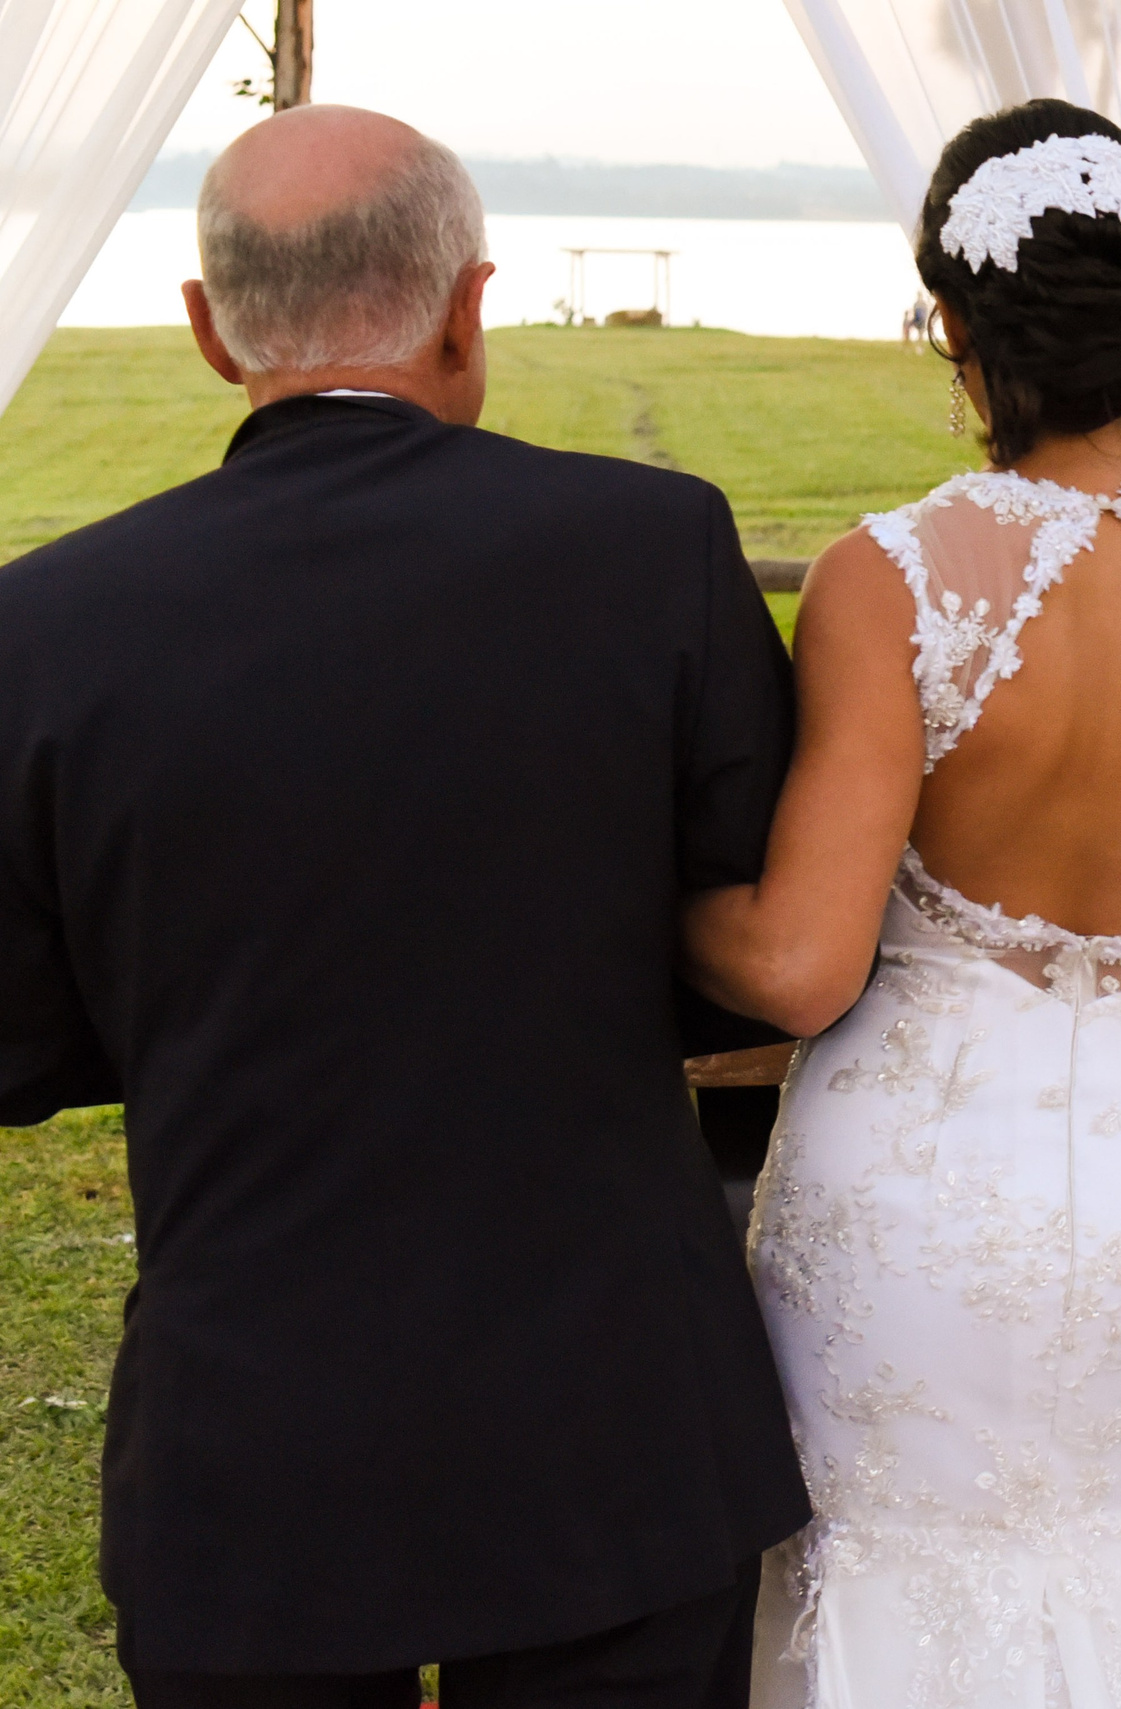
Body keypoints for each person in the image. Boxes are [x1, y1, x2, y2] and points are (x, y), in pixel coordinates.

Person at [0, 107, 811, 1706]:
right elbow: (752, 955)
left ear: (208, 329)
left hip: (252, 1453)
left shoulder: (43, 625)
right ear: (466, 306)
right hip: (616, 1432)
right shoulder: (657, 546)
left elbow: (19, 1045)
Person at [679, 100, 1121, 1707]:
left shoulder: (897, 576)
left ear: (960, 327)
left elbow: (798, 962)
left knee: (899, 1568)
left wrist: (649, 903)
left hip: (919, 1203)